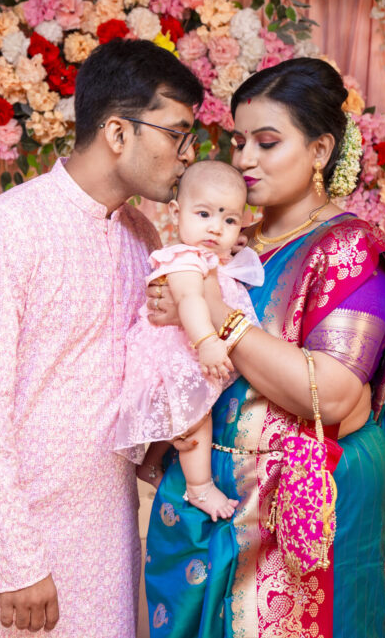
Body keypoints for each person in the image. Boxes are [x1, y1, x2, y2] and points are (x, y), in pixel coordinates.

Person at [142, 57, 385, 638]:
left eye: (267, 142)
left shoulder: (351, 249)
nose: (244, 160)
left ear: (320, 150)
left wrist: (215, 312)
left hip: (296, 504)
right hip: (204, 488)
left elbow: (330, 396)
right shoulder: (230, 239)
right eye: (239, 142)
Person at [0, 39, 203, 638]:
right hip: (10, 543)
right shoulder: (5, 231)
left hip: (104, 532)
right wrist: (16, 563)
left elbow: (138, 375)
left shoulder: (143, 237)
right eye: (177, 135)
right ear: (118, 132)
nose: (187, 155)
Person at [113, 160, 264, 522]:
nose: (215, 227)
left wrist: (229, 248)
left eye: (229, 220)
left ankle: (151, 464)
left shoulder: (206, 255)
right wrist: (208, 341)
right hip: (178, 352)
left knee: (185, 412)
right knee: (197, 418)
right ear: (176, 212)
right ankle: (200, 487)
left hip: (184, 350)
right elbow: (190, 300)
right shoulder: (183, 259)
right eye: (204, 214)